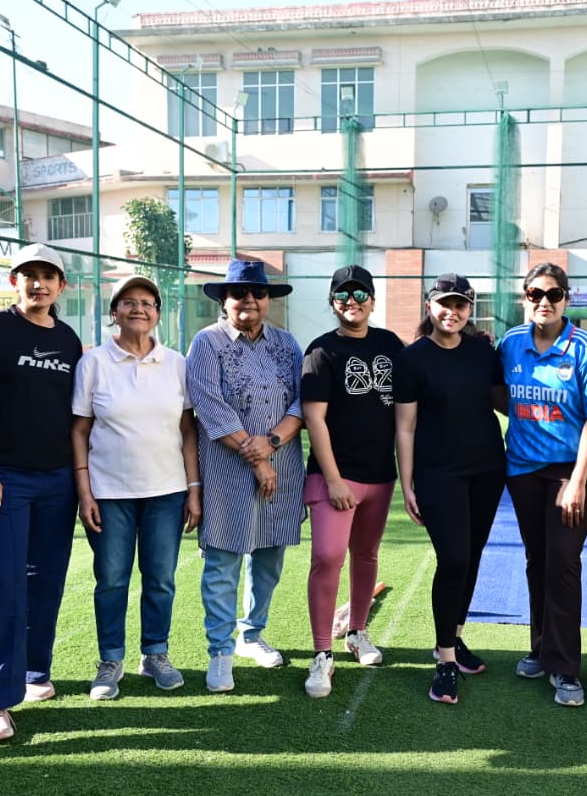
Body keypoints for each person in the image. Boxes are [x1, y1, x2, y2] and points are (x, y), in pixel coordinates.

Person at [0, 243, 82, 743]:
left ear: (61, 286)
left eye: (48, 276)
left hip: (59, 481)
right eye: (28, 275)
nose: (38, 283)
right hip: (5, 478)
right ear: (14, 281)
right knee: (5, 584)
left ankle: (34, 671)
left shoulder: (69, 339)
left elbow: (76, 418)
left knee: (46, 580)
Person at [71, 274, 202, 701]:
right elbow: (79, 430)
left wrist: (193, 489)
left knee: (160, 578)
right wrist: (85, 492)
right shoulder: (94, 363)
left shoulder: (176, 363)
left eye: (147, 302)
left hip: (167, 491)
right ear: (114, 312)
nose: (138, 308)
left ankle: (155, 654)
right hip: (109, 494)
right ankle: (110, 661)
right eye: (128, 302)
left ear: (158, 313)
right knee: (111, 579)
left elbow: (187, 430)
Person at [186, 260, 305, 693]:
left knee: (269, 557)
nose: (249, 300)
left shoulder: (287, 344)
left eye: (258, 293)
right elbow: (209, 404)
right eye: (239, 293)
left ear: (268, 300)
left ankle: (251, 635)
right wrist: (257, 460)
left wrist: (271, 444)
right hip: (226, 470)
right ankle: (220, 651)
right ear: (225, 300)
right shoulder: (207, 343)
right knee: (222, 561)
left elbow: (302, 401)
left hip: (282, 466)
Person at [499, 263, 587, 708]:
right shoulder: (511, 342)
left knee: (563, 562)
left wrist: (578, 480)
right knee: (538, 559)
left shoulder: (585, 347)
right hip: (523, 470)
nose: (544, 301)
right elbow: (498, 392)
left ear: (566, 298)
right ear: (525, 297)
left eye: (554, 294)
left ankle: (565, 667)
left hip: (571, 471)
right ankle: (540, 648)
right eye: (535, 294)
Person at [393, 273, 506, 705]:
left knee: (472, 557)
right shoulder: (412, 359)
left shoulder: (483, 352)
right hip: (438, 474)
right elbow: (405, 427)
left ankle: (455, 638)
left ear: (469, 309)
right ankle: (444, 659)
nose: (452, 312)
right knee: (454, 558)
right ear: (430, 306)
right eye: (444, 304)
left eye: (460, 305)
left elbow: (502, 402)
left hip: (488, 470)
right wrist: (408, 483)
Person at [300, 265, 404, 697]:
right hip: (333, 479)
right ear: (332, 302)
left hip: (379, 476)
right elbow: (314, 419)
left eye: (360, 294)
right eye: (342, 295)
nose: (351, 302)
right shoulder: (322, 351)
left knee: (366, 555)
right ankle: (322, 653)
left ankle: (357, 632)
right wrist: (334, 479)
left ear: (373, 301)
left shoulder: (390, 345)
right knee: (327, 557)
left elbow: (408, 410)